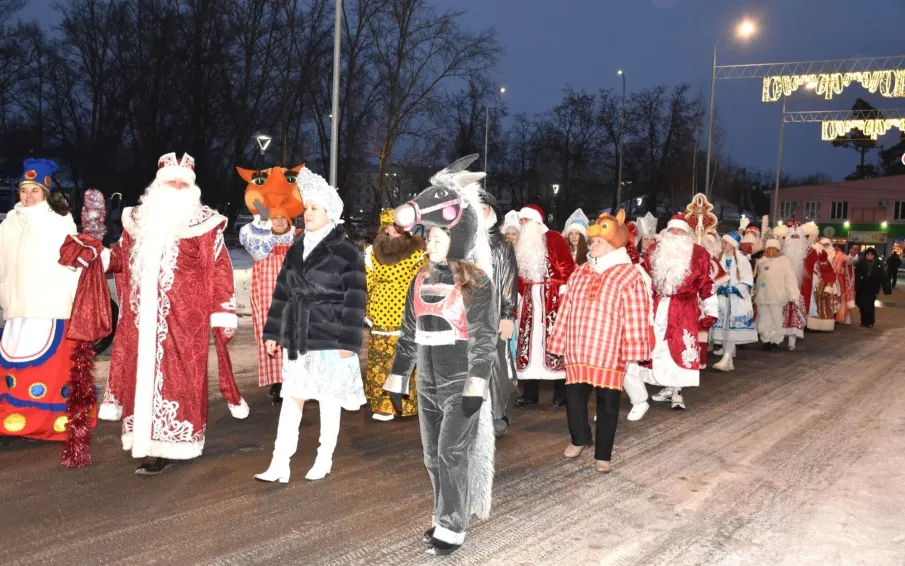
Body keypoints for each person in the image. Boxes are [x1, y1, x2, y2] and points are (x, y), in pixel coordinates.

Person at [98, 153, 249, 475]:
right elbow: (122, 258)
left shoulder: (205, 223)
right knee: (140, 378)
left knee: (177, 381)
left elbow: (221, 268)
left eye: (183, 182)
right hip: (140, 320)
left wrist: (222, 311)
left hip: (183, 320)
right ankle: (145, 441)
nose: (176, 187)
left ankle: (171, 444)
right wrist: (96, 257)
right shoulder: (137, 219)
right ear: (158, 184)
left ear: (192, 187)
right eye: (171, 182)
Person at [384, 155, 498, 556]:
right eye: (428, 235)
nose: (429, 240)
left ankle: (453, 525)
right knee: (433, 457)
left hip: (459, 384)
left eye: (437, 235)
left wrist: (475, 386)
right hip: (428, 385)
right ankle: (443, 513)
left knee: (452, 453)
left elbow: (485, 340)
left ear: (459, 234)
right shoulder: (421, 276)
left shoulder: (477, 281)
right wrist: (398, 378)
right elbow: (409, 334)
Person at [255, 168, 367, 483]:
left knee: (328, 400)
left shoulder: (346, 250)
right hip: (297, 333)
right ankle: (280, 462)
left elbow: (356, 299)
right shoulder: (297, 246)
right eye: (306, 207)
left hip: (329, 335)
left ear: (329, 212)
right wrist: (273, 332)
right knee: (292, 397)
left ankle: (324, 457)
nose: (308, 213)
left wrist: (349, 342)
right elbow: (282, 291)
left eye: (314, 208)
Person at [549, 211, 652, 473]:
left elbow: (637, 314)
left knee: (608, 404)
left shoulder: (629, 275)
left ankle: (603, 454)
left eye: (596, 242)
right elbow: (566, 309)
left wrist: (632, 350)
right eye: (592, 242)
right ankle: (579, 438)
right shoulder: (581, 272)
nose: (591, 245)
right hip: (578, 348)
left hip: (609, 350)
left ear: (612, 245)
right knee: (574, 399)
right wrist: (558, 341)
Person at [0, 159, 89, 443]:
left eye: (34, 191)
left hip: (48, 305)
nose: (28, 196)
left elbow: (72, 264)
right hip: (17, 304)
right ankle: (13, 419)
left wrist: (76, 301)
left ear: (45, 192)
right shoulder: (10, 222)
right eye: (24, 190)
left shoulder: (58, 222)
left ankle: (50, 421)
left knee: (46, 366)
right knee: (15, 359)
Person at [237, 165, 305, 403]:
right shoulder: (256, 235)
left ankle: (297, 380)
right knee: (271, 334)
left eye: (282, 218)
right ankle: (277, 383)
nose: (278, 221)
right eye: (274, 217)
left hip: (294, 293)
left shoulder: (298, 238)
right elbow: (257, 252)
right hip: (266, 294)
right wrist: (263, 220)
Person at [643, 213, 718, 410]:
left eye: (680, 230)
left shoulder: (699, 254)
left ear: (687, 234)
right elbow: (644, 279)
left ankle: (677, 391)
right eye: (672, 230)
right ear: (666, 232)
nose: (676, 234)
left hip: (684, 308)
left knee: (680, 347)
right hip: (657, 307)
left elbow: (706, 285)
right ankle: (667, 387)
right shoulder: (653, 251)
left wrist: (711, 310)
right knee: (659, 347)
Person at [363, 208, 425, 421]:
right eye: (391, 224)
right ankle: (383, 403)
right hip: (381, 310)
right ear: (385, 227)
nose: (395, 228)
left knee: (404, 354)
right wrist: (368, 308)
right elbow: (368, 280)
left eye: (399, 225)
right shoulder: (372, 252)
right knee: (381, 356)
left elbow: (422, 281)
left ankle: (406, 403)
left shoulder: (419, 250)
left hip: (406, 309)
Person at [513, 204, 575, 407]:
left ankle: (562, 392)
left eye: (526, 221)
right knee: (530, 344)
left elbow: (567, 265)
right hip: (531, 299)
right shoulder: (522, 243)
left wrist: (564, 291)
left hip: (552, 297)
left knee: (555, 342)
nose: (523, 225)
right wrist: (521, 295)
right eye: (521, 221)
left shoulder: (554, 238)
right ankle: (530, 393)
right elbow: (520, 272)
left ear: (537, 221)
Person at [477, 191, 519, 437]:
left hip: (493, 313)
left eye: (483, 209)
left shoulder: (502, 244)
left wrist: (507, 314)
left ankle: (497, 413)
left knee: (496, 364)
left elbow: (508, 281)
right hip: (466, 315)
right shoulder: (463, 241)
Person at [711, 232, 757, 372]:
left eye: (725, 242)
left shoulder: (742, 261)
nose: (723, 245)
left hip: (736, 300)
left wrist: (734, 289)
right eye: (722, 242)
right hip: (723, 300)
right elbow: (713, 277)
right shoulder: (720, 259)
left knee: (732, 330)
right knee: (724, 330)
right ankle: (728, 360)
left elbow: (748, 281)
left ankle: (726, 359)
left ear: (733, 245)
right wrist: (718, 288)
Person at [754, 239, 800, 351]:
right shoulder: (761, 262)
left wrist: (793, 294)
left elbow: (790, 279)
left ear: (778, 249)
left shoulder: (784, 261)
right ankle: (766, 340)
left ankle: (775, 341)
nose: (770, 251)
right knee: (763, 320)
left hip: (777, 296)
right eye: (768, 249)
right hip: (762, 296)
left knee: (776, 320)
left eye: (773, 249)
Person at [773, 221, 808, 350]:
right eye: (791, 237)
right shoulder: (781, 256)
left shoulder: (807, 255)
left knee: (795, 316)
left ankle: (792, 341)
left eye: (797, 237)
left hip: (798, 294)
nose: (794, 240)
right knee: (779, 316)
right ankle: (777, 339)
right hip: (781, 294)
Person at [804, 235, 838, 332]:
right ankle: (807, 323)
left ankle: (818, 324)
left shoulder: (822, 257)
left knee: (819, 303)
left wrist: (828, 286)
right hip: (807, 282)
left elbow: (828, 272)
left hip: (819, 283)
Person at [855, 247, 891, 328]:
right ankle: (863, 321)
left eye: (872, 254)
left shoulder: (878, 265)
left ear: (874, 255)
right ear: (866, 255)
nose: (870, 256)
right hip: (862, 288)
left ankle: (870, 322)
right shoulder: (860, 264)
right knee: (861, 305)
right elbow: (856, 276)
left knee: (870, 305)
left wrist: (886, 287)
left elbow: (883, 276)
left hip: (873, 288)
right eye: (868, 254)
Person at [833, 245, 855, 325]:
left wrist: (852, 255)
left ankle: (838, 317)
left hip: (839, 281)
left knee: (839, 299)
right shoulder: (827, 254)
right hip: (830, 280)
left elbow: (850, 261)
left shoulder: (842, 256)